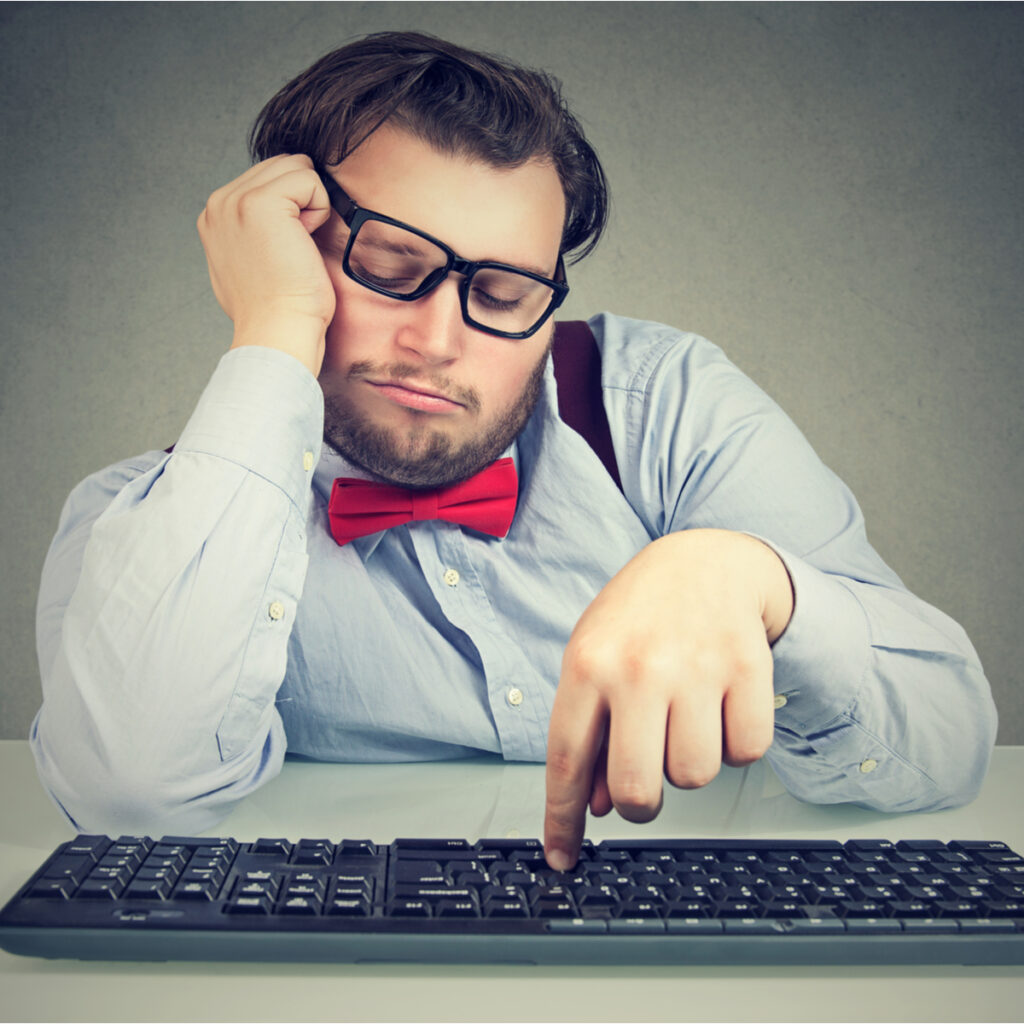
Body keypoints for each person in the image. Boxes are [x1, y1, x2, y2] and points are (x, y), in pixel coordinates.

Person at [32, 31, 996, 870]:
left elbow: (948, 744)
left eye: (499, 296)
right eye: (390, 268)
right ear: (286, 245)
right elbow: (131, 796)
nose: (438, 341)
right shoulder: (149, 525)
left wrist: (758, 583)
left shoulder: (662, 405)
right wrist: (276, 325)